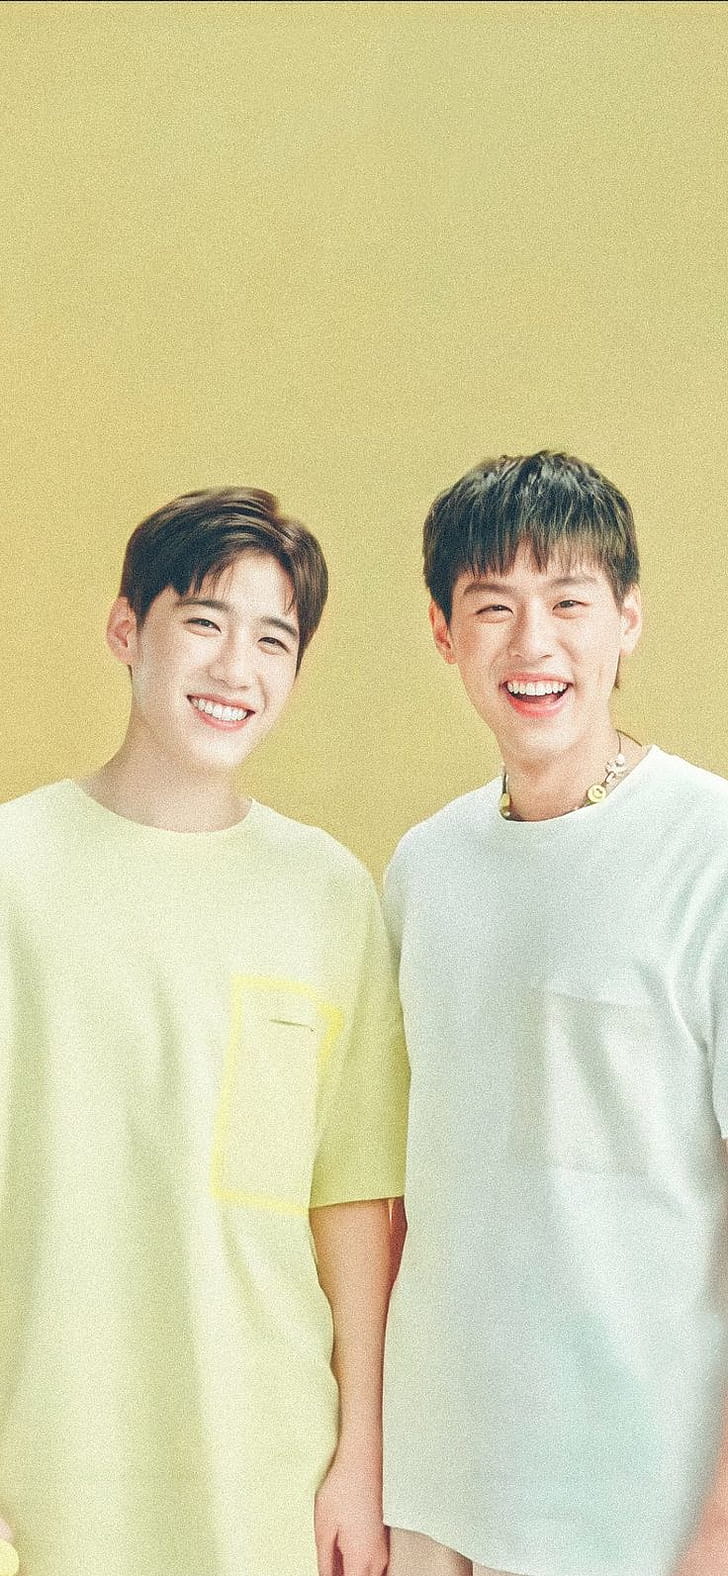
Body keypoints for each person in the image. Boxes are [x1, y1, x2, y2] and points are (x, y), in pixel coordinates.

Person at [0, 487, 408, 1576]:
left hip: (269, 1478)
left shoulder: (328, 893)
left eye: (272, 639)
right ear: (126, 629)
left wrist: (359, 1457)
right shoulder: (15, 871)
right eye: (203, 621)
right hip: (48, 1469)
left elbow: (351, 1202)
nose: (236, 668)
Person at [382, 451, 728, 1576]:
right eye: (492, 606)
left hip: (639, 1503)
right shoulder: (423, 867)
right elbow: (401, 1187)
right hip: (437, 1487)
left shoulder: (709, 852)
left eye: (568, 601)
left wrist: (719, 1527)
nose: (531, 643)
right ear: (444, 634)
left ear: (627, 620)